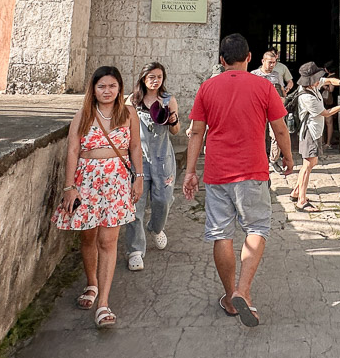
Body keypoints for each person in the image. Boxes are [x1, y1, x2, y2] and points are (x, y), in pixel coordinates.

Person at [183, 33, 293, 327]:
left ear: (221, 60)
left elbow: (196, 132)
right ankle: (243, 290)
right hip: (252, 171)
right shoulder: (263, 86)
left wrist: (190, 171)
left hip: (217, 172)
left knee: (221, 233)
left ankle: (230, 297)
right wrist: (288, 157)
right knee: (256, 227)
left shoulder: (207, 87)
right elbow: (280, 128)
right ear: (249, 57)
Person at [54, 66, 143, 328]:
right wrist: (69, 187)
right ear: (93, 89)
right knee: (88, 236)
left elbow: (135, 146)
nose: (107, 91)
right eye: (101, 86)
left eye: (112, 86)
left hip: (117, 181)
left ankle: (103, 303)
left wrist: (139, 177)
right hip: (87, 180)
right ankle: (91, 282)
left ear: (119, 89)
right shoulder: (83, 114)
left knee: (108, 240)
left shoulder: (128, 114)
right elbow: (72, 150)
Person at [123, 62, 181, 272]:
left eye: (159, 76)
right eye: (151, 76)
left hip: (163, 159)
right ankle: (135, 250)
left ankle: (156, 228)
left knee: (163, 200)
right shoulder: (132, 101)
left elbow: (176, 131)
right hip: (139, 159)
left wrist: (172, 120)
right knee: (135, 205)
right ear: (143, 78)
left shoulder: (168, 100)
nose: (155, 80)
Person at [291, 61, 340, 212]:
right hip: (309, 132)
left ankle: (296, 192)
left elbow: (328, 80)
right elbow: (326, 113)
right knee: (308, 164)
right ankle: (301, 200)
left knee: (310, 163)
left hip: (315, 131)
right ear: (310, 80)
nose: (319, 79)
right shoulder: (307, 97)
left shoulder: (313, 85)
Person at [252, 50, 286, 164]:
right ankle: (259, 159)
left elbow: (281, 89)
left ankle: (273, 159)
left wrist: (283, 98)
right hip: (258, 111)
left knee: (276, 135)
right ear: (263, 61)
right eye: (270, 62)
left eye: (274, 63)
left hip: (273, 110)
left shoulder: (276, 75)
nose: (272, 65)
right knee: (259, 135)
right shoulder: (254, 75)